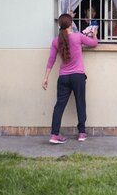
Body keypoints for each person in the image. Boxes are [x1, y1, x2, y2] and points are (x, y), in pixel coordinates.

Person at [42, 13, 98, 144]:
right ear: (71, 24)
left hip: (63, 78)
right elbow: (94, 43)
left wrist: (46, 78)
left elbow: (51, 60)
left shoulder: (56, 40)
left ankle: (54, 135)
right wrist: (94, 33)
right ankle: (82, 133)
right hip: (78, 77)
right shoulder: (78, 37)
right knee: (80, 103)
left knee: (59, 105)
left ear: (60, 25)